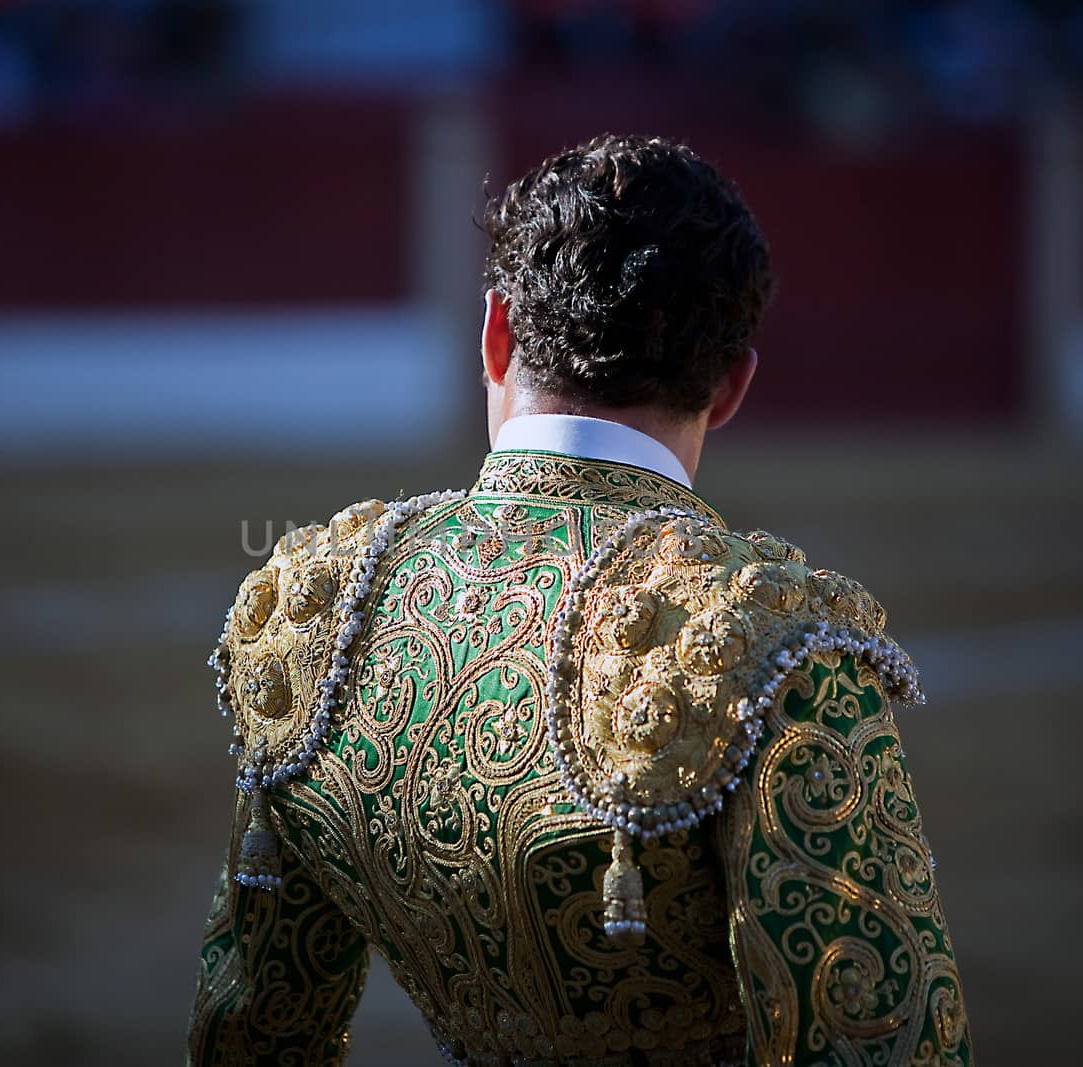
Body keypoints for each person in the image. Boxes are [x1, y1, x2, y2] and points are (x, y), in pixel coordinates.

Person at [187, 134, 972, 1066]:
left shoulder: (314, 605)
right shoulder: (776, 645)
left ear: (495, 334)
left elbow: (256, 1031)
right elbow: (877, 1036)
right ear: (730, 388)